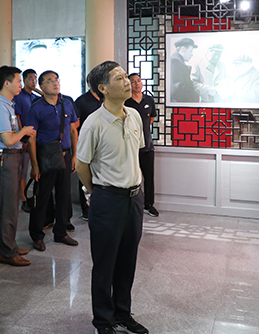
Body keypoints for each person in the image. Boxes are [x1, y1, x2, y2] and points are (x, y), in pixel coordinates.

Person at [76, 61, 149, 334]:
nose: (127, 81)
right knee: (105, 264)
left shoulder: (134, 115)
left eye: (125, 76)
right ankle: (103, 322)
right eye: (119, 78)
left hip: (134, 198)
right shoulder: (94, 123)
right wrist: (96, 192)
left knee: (128, 261)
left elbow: (135, 154)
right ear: (103, 88)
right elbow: (81, 165)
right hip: (107, 199)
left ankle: (122, 314)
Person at [0, 65, 36, 266]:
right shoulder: (0, 106)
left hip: (11, 157)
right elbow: (8, 140)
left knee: (10, 206)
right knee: (8, 207)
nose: (20, 85)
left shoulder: (7, 104)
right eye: (18, 81)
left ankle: (7, 245)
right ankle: (8, 252)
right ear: (6, 83)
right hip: (5, 158)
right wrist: (24, 131)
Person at [27, 70, 79, 251]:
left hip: (65, 155)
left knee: (64, 196)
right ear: (41, 86)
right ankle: (37, 235)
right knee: (42, 197)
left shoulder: (67, 104)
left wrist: (75, 156)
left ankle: (61, 232)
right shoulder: (36, 108)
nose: (55, 83)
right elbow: (31, 138)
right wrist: (34, 165)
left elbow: (73, 130)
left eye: (56, 79)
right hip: (45, 157)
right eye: (50, 81)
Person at [125, 73, 159, 217]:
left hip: (147, 146)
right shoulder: (126, 102)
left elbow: (151, 118)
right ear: (129, 84)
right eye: (133, 81)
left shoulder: (149, 100)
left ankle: (148, 204)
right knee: (131, 176)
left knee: (149, 176)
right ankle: (131, 204)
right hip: (130, 147)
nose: (137, 84)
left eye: (138, 81)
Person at [74, 77, 103, 220]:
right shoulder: (82, 101)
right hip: (86, 144)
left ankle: (99, 207)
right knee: (85, 177)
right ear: (90, 84)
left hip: (102, 145)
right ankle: (86, 209)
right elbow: (75, 126)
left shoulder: (105, 99)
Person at [14, 68, 40, 213]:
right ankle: (24, 198)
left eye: (35, 78)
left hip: (36, 138)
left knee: (35, 167)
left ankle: (34, 196)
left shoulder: (35, 97)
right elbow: (17, 118)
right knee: (23, 170)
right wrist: (22, 138)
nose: (34, 81)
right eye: (31, 78)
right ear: (24, 80)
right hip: (24, 138)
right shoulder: (19, 96)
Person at [170, 37, 198, 102]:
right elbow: (178, 87)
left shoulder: (178, 62)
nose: (192, 54)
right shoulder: (175, 62)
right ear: (183, 49)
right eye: (190, 51)